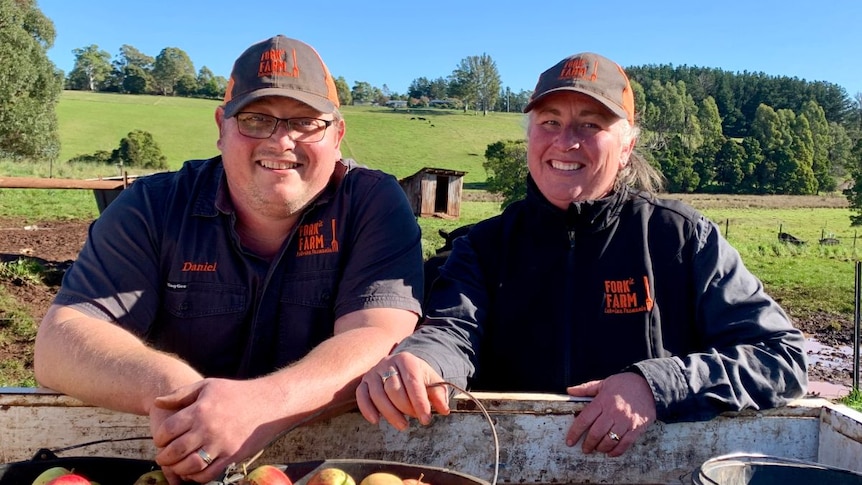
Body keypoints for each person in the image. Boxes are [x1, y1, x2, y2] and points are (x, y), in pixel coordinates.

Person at [356, 52, 808, 458]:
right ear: (530, 136)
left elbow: (782, 358)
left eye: (591, 124)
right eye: (549, 122)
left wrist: (658, 384)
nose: (565, 140)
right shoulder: (483, 247)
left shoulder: (681, 238)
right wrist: (423, 361)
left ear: (627, 145)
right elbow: (453, 331)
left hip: (655, 468)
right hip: (513, 467)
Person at [34, 35, 423, 484]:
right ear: (222, 125)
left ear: (337, 134)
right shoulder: (153, 207)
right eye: (256, 119)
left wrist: (260, 407)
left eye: (305, 122)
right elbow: (61, 341)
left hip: (326, 464)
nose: (281, 141)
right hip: (169, 460)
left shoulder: (371, 204)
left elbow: (377, 335)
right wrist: (179, 394)